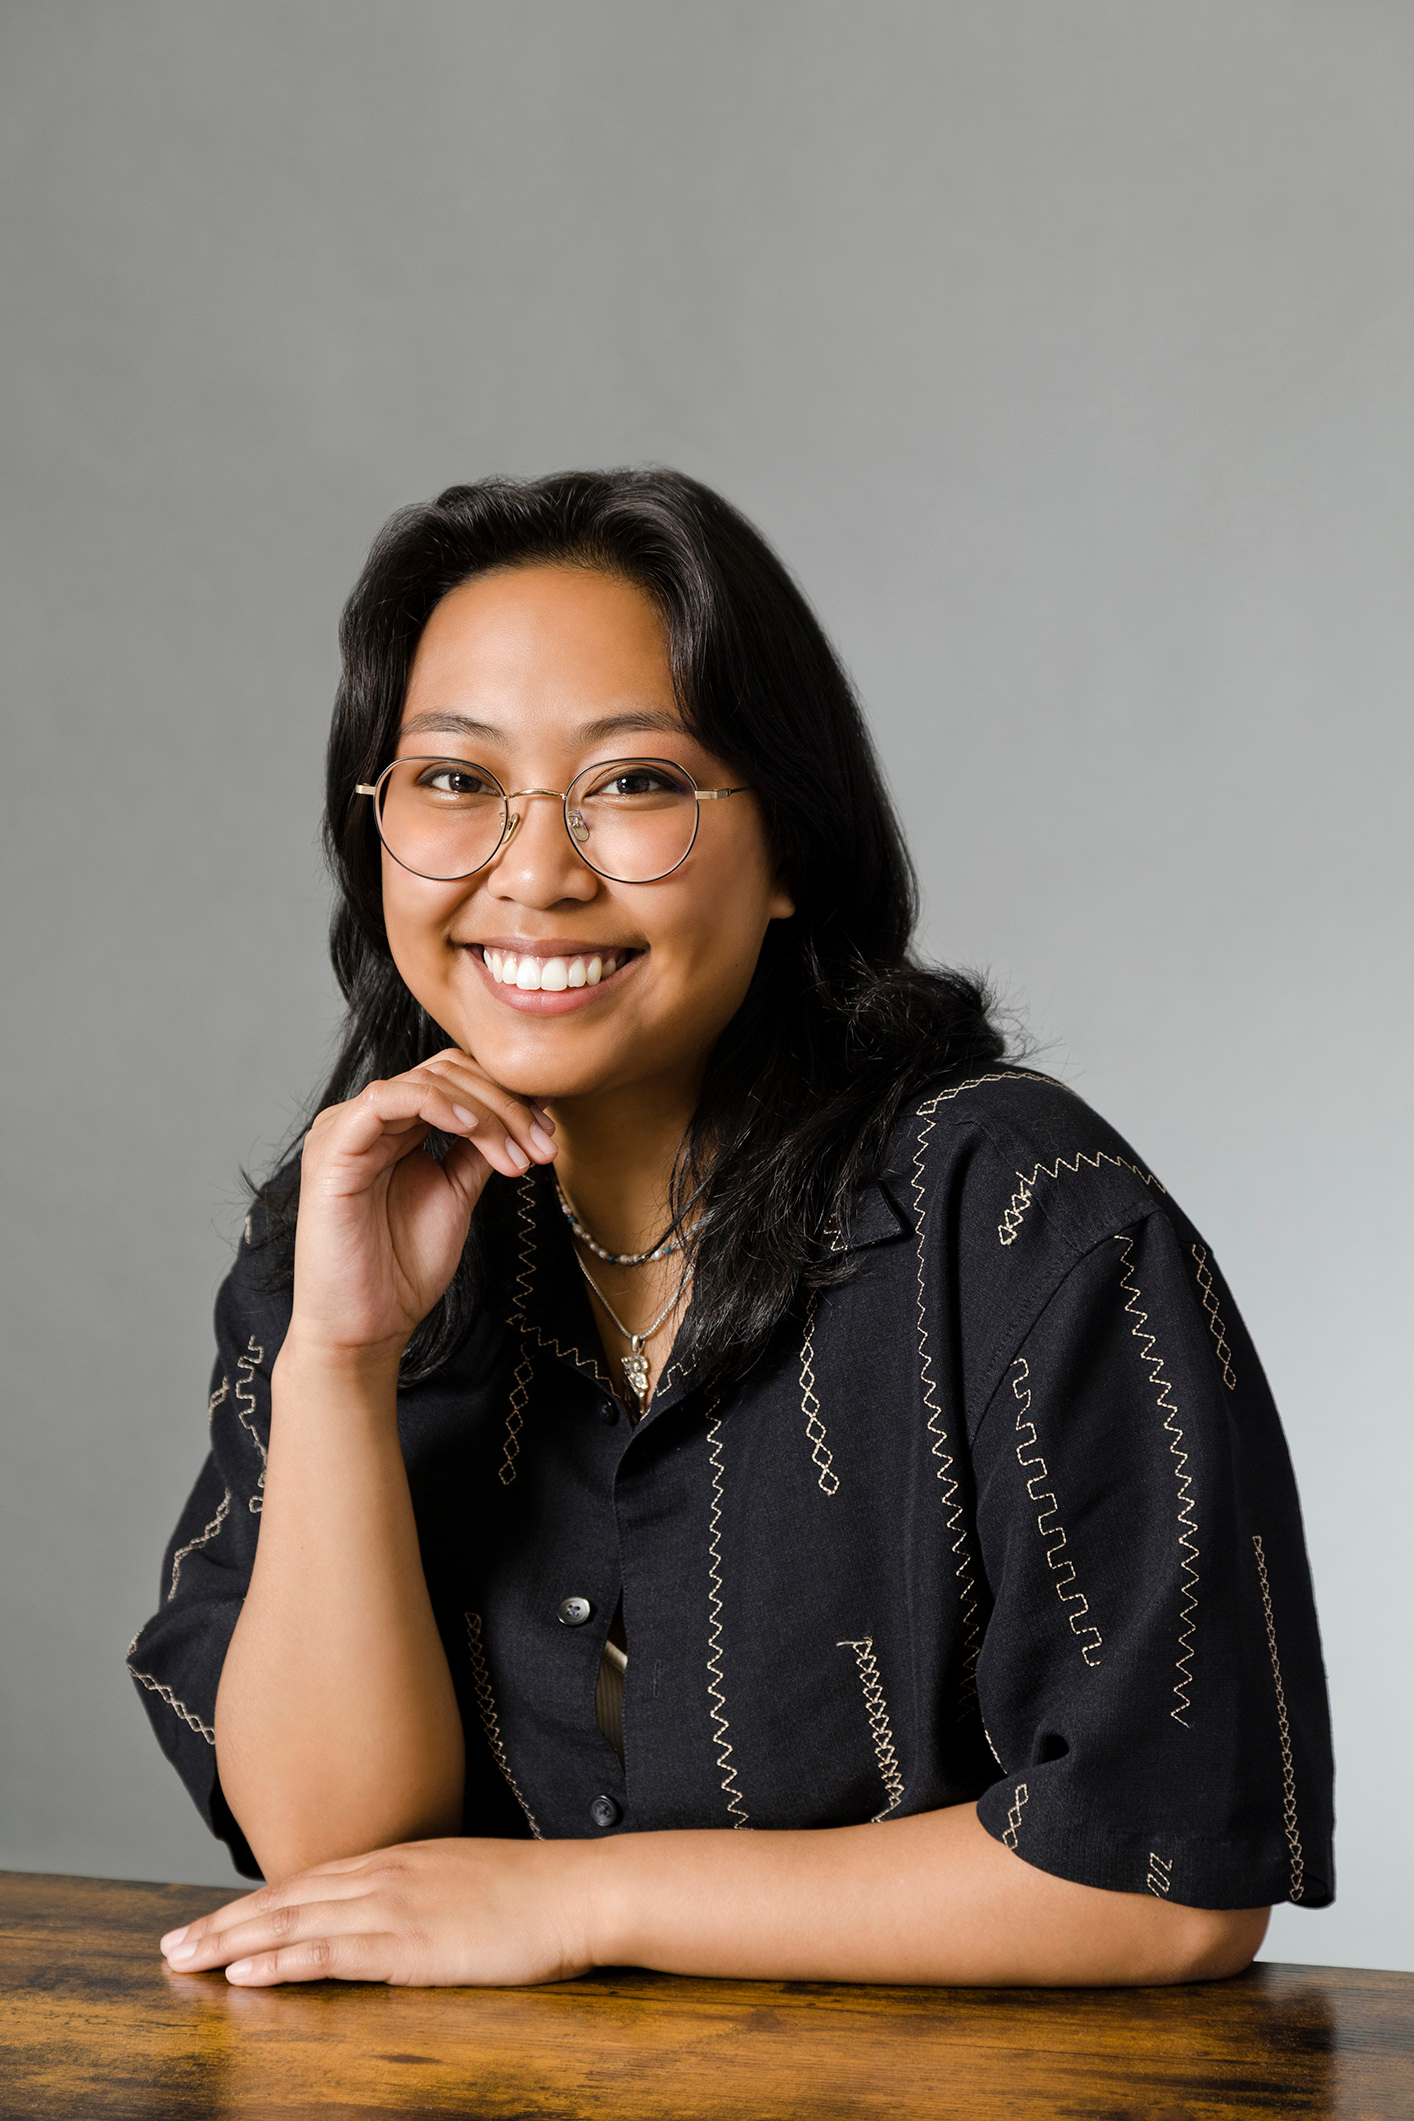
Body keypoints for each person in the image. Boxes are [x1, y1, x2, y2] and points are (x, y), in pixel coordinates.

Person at [130, 470, 1333, 1990]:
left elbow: (1162, 1879)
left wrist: (578, 1903)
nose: (534, 869)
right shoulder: (347, 1218)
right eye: (449, 781)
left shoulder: (1016, 1210)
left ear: (789, 851)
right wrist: (340, 1364)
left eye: (632, 783)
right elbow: (338, 1857)